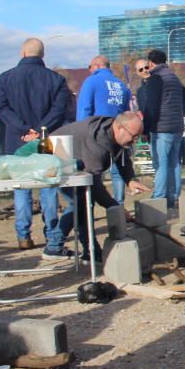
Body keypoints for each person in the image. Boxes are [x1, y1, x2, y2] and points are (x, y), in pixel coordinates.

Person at [0, 38, 71, 255]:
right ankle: (51, 233)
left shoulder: (5, 78)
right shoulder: (56, 79)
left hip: (17, 140)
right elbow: (59, 109)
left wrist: (23, 129)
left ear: (22, 52)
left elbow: (2, 108)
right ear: (43, 55)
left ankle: (23, 235)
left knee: (21, 188)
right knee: (48, 185)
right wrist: (40, 130)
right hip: (47, 138)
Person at [52, 112, 152, 261]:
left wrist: (130, 179)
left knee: (83, 203)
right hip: (56, 153)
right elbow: (94, 184)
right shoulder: (97, 142)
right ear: (119, 128)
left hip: (75, 161)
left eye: (137, 137)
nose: (135, 141)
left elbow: (122, 156)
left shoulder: (114, 133)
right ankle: (59, 247)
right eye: (133, 136)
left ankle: (87, 252)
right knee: (83, 201)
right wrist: (115, 207)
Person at [138, 49, 185, 209]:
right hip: (176, 125)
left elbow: (151, 106)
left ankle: (159, 197)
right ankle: (174, 196)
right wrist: (179, 111)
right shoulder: (172, 76)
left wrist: (146, 129)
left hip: (161, 127)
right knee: (173, 163)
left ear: (151, 62)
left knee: (161, 164)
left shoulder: (156, 78)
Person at [77, 55, 132, 204]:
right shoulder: (121, 85)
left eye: (90, 67)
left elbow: (84, 109)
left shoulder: (92, 81)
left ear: (97, 65)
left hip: (95, 136)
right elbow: (127, 113)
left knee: (92, 176)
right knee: (118, 171)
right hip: (119, 134)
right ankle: (118, 206)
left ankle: (91, 208)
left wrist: (80, 134)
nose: (89, 70)